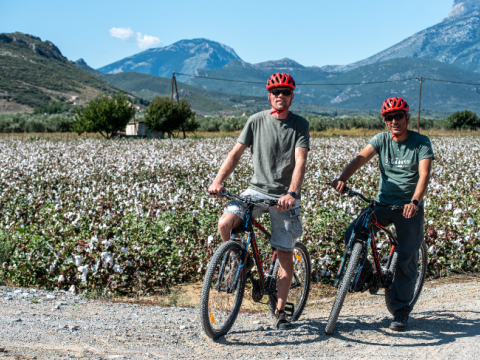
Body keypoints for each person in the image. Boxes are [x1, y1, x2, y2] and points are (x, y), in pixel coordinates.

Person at [208, 72, 310, 330]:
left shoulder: (300, 125)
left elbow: (300, 161)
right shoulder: (255, 121)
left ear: (291, 96)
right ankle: (237, 260)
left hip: (284, 197)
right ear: (269, 95)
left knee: (285, 254)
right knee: (225, 223)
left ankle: (280, 312)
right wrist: (218, 181)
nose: (280, 96)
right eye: (275, 92)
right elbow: (236, 153)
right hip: (254, 191)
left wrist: (292, 193)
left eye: (285, 92)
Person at [332, 97, 434, 331]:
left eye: (399, 116)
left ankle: (400, 309)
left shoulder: (421, 143)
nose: (395, 120)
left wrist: (415, 201)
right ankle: (368, 271)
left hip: (409, 208)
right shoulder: (381, 140)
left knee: (406, 256)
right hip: (383, 204)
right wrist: (342, 178)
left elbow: (424, 175)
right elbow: (360, 158)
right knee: (353, 233)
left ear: (407, 118)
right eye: (390, 117)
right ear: (385, 121)